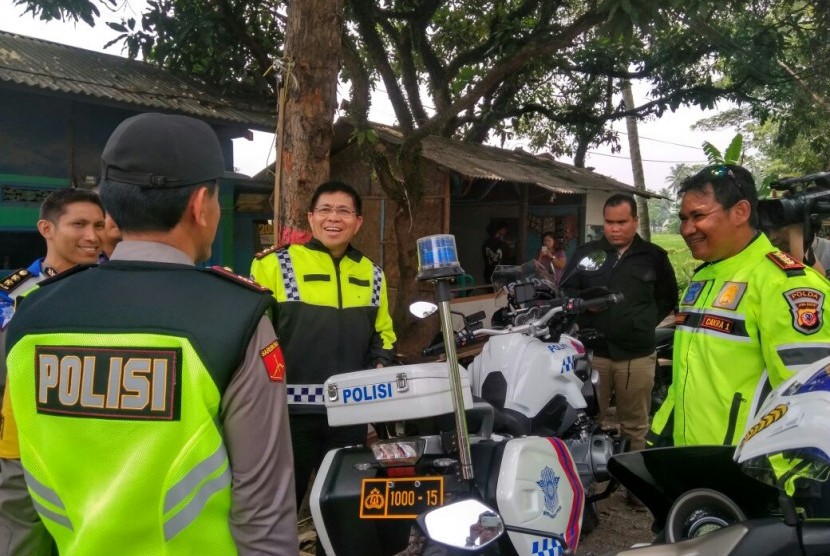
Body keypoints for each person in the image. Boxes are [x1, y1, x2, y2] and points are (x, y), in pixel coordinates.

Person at [4, 112, 298, 555]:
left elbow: (14, 486)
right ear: (201, 205)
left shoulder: (30, 316)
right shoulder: (234, 316)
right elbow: (264, 507)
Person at [649, 164, 830, 448]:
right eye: (683, 218)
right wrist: (658, 436)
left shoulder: (784, 285)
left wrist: (791, 484)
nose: (686, 229)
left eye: (698, 216)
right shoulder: (703, 280)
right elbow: (685, 378)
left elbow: (809, 399)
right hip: (689, 460)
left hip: (746, 472)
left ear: (741, 212)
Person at [249, 181, 396, 518]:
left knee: (344, 510)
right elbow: (255, 335)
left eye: (344, 211)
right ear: (311, 218)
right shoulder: (274, 264)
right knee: (279, 513)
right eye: (326, 210)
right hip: (289, 417)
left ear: (358, 222)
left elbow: (384, 333)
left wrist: (379, 362)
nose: (334, 218)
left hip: (350, 415)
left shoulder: (373, 274)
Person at [0, 187, 105, 555]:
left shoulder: (118, 288)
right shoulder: (10, 296)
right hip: (25, 449)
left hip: (103, 445)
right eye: (79, 224)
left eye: (99, 225)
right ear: (46, 228)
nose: (92, 236)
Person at [560, 194, 677, 454]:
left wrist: (643, 322)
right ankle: (588, 480)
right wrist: (583, 310)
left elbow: (668, 296)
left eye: (622, 222)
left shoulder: (653, 257)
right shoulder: (587, 254)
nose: (614, 228)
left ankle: (632, 486)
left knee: (635, 425)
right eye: (609, 222)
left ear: (635, 221)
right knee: (587, 420)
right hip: (592, 354)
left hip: (636, 354)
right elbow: (565, 291)